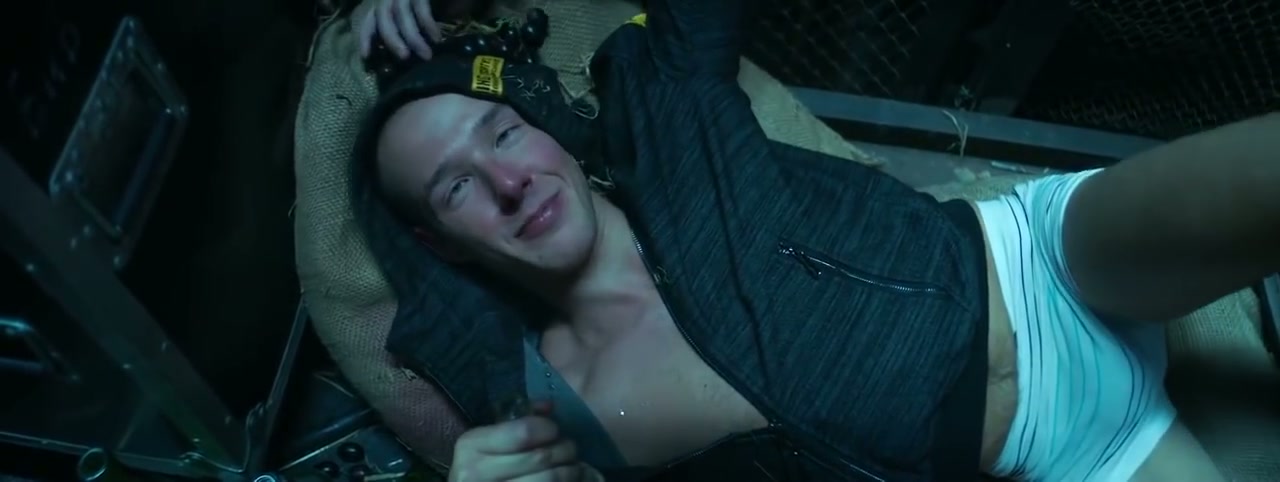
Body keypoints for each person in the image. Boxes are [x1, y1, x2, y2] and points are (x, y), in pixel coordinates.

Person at [348, 0, 1280, 480]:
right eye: (457, 186)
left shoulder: (668, 118)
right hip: (1075, 450)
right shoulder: (549, 418)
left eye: (503, 134)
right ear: (440, 243)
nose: (508, 180)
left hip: (1044, 263)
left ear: (549, 130)